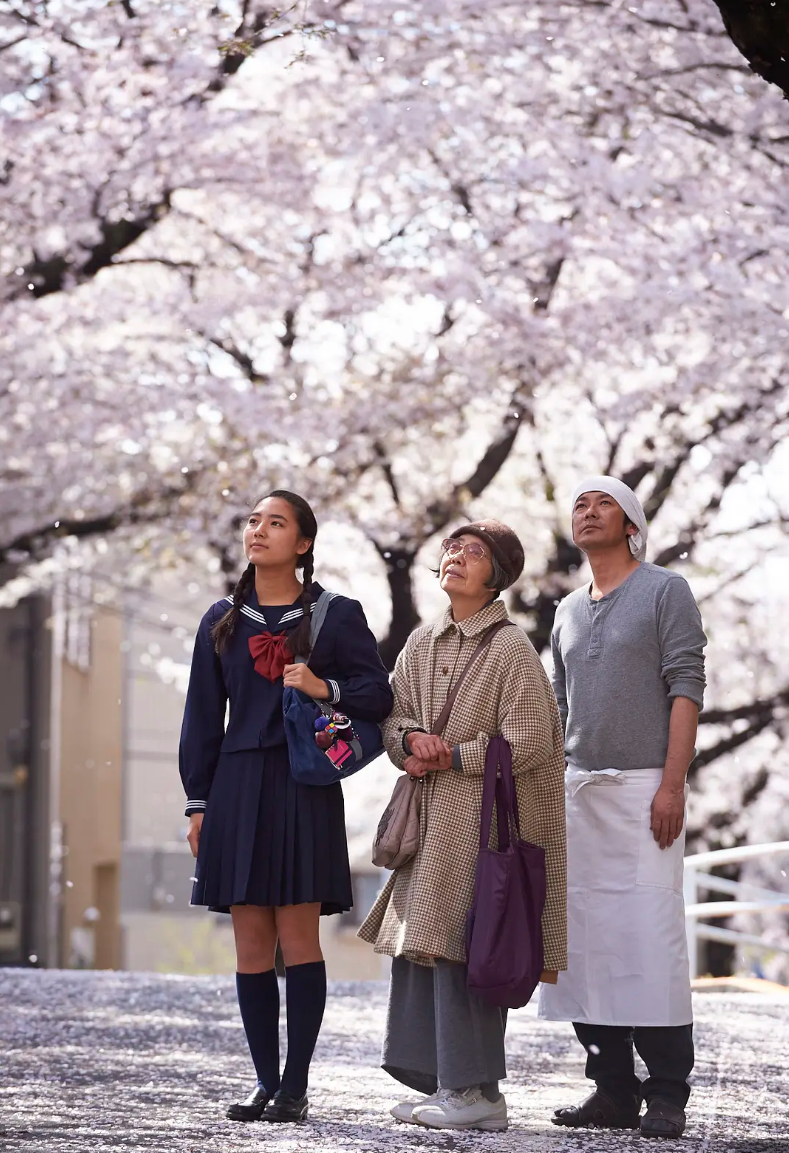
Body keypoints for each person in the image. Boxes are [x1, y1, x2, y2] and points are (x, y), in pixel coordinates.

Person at [180, 490, 393, 1123]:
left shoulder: (337, 615)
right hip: (237, 786)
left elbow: (378, 695)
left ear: (302, 543)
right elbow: (199, 717)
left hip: (306, 784)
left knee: (299, 937)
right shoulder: (220, 618)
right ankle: (264, 1082)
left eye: (275, 523)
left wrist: (322, 685)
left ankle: (296, 1085)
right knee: (250, 941)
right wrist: (198, 805)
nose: (259, 531)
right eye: (252, 522)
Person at [359, 520, 567, 1133]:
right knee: (423, 944)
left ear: (497, 574)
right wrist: (407, 741)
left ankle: (478, 1092)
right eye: (452, 548)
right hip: (430, 821)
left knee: (466, 945)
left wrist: (455, 753)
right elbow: (391, 716)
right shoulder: (423, 640)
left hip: (480, 827)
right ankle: (444, 1081)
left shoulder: (511, 649)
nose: (456, 558)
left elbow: (534, 741)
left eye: (474, 552)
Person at [539, 476, 707, 1140]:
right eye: (579, 502)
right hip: (578, 790)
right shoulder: (564, 610)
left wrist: (672, 783)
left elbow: (685, 684)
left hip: (645, 791)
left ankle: (666, 1091)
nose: (587, 510)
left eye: (601, 501)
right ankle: (610, 1088)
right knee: (583, 940)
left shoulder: (665, 590)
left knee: (650, 936)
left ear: (631, 523)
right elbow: (557, 707)